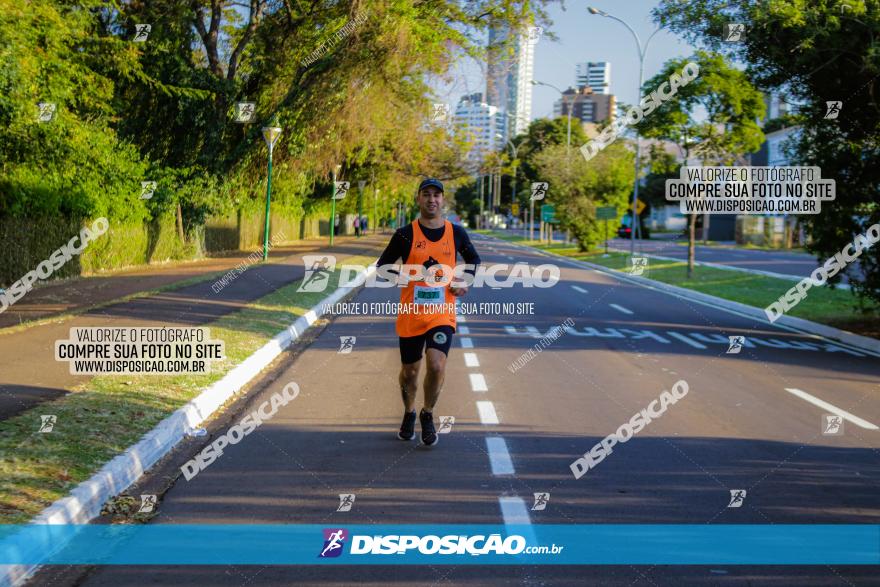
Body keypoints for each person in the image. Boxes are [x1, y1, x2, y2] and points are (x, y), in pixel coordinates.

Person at [376, 178, 481, 446]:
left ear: (443, 200)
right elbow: (383, 266)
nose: (431, 199)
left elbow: (474, 260)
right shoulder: (404, 234)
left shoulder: (456, 232)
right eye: (426, 194)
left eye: (436, 195)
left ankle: (428, 413)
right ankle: (409, 411)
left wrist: (464, 281)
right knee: (410, 371)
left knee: (436, 364)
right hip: (411, 313)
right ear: (418, 199)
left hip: (442, 313)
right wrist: (404, 276)